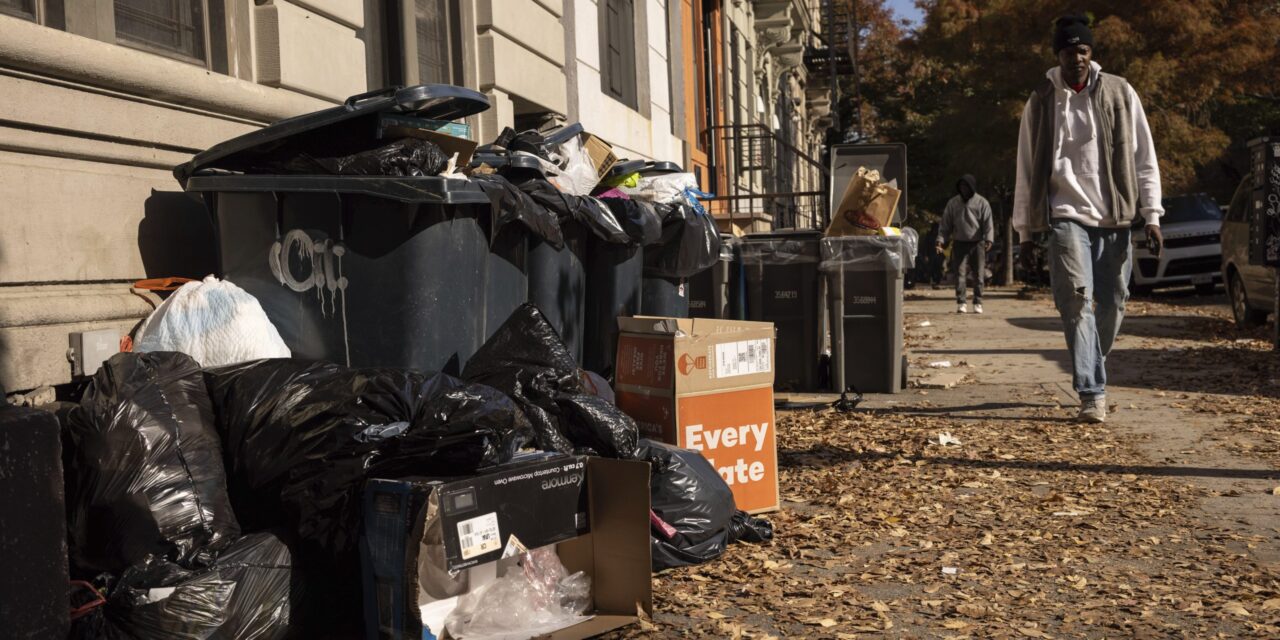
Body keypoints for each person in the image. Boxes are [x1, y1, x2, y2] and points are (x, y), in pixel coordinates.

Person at [1013, 15, 1164, 423]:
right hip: (1064, 216)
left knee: (1115, 300)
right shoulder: (1042, 97)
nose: (1076, 58)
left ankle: (1090, 360)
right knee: (1076, 301)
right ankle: (1091, 392)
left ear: (1091, 53)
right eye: (1068, 51)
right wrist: (1026, 231)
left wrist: (1152, 214)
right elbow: (1026, 167)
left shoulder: (1120, 91)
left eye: (1082, 50)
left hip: (1115, 216)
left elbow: (1143, 157)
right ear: (1057, 55)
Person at [937, 175, 994, 313]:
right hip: (959, 243)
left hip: (977, 243)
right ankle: (961, 301)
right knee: (959, 274)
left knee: (979, 274)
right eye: (961, 186)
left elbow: (988, 223)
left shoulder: (982, 203)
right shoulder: (953, 203)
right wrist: (940, 240)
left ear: (972, 187)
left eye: (966, 186)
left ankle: (978, 301)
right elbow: (945, 224)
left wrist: (989, 239)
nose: (964, 189)